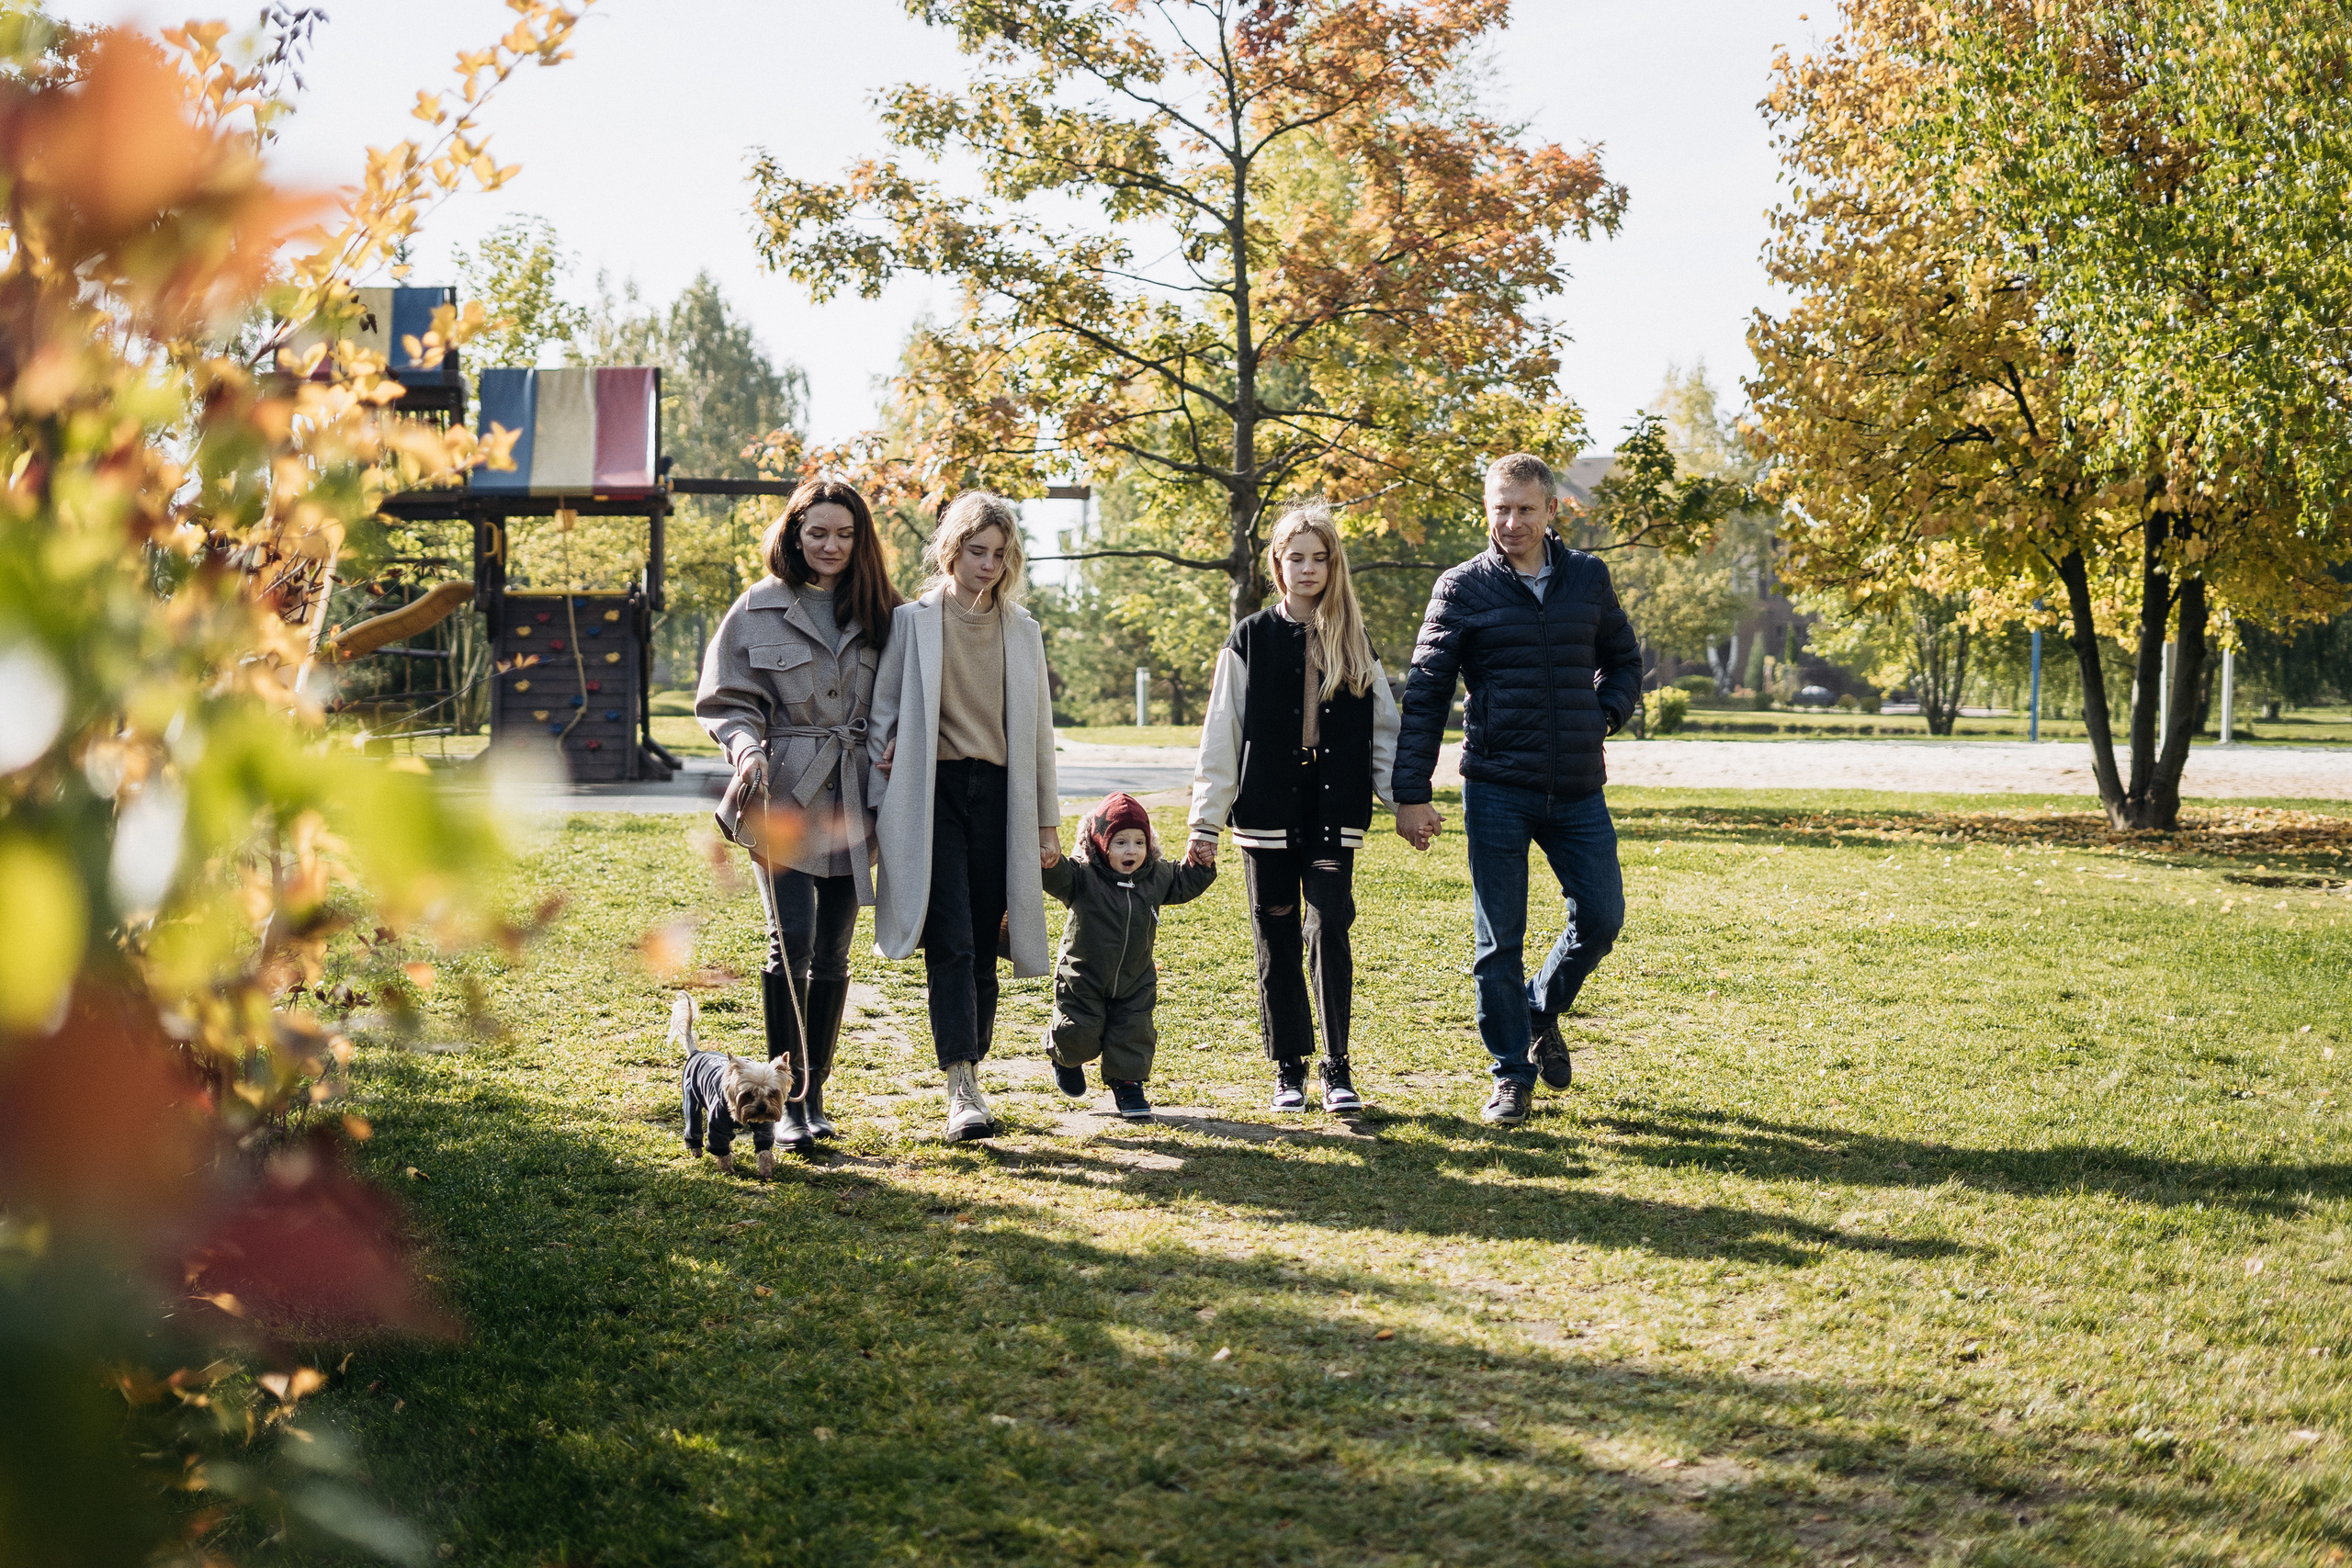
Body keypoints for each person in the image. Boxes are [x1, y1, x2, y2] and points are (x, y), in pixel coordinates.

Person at [1392, 454, 1641, 1127]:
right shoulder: (1461, 587)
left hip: (1579, 788)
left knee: (1602, 916)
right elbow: (1425, 696)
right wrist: (1410, 791)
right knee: (1498, 940)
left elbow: (1623, 659)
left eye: (1525, 508)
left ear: (1552, 510)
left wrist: (1605, 712)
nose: (1511, 521)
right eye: (1500, 508)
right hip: (1498, 785)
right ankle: (1510, 1073)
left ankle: (1539, 1007)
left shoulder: (1588, 578)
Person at [699, 476, 902, 1150]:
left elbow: (909, 694)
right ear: (793, 533)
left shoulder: (884, 611)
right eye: (817, 531)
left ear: (861, 540)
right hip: (782, 791)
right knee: (791, 940)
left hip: (854, 797)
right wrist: (745, 745)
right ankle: (782, 1102)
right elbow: (727, 700)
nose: (831, 545)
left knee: (835, 953)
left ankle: (812, 1094)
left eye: (845, 534)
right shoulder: (756, 608)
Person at [1187, 499, 1401, 1114]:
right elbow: (1221, 732)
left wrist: (1403, 799)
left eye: (1319, 558)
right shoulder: (1250, 637)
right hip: (1265, 808)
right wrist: (1205, 820)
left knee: (1329, 923)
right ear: (1278, 564)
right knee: (1276, 930)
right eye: (1295, 557)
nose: (1307, 569)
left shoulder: (1355, 641)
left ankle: (1337, 1064)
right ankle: (1289, 1066)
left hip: (1333, 810)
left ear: (1334, 565)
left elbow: (1384, 731)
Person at [867, 491, 1062, 1142]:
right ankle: (961, 1084)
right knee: (948, 936)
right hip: (933, 792)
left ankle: (969, 1062)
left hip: (1001, 796)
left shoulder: (1024, 628)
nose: (988, 564)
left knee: (982, 940)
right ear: (951, 548)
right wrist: (885, 761)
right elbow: (884, 712)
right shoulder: (913, 621)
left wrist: (1046, 822)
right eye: (977, 551)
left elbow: (1037, 734)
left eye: (999, 554)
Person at [1040, 792, 1216, 1121]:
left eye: (1139, 842)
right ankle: (1064, 1056)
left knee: (1133, 1032)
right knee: (1078, 1032)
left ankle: (1129, 1084)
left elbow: (1183, 881)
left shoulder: (1156, 876)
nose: (1131, 850)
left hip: (1135, 977)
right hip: (1083, 976)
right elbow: (1058, 874)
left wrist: (1200, 865)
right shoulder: (1083, 876)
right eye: (1120, 842)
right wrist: (1049, 862)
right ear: (1101, 845)